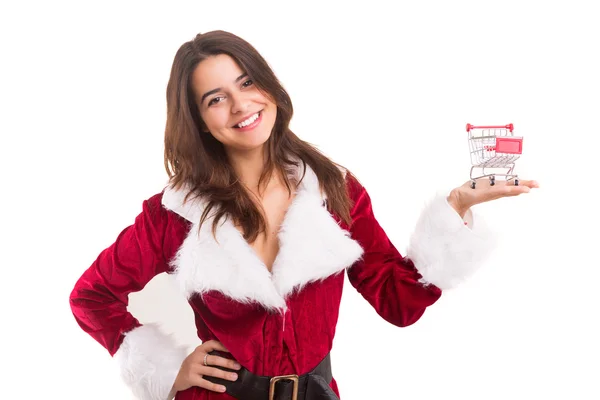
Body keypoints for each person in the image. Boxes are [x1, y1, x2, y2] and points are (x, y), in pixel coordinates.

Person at [69, 30, 538, 400]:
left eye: (247, 82)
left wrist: (455, 209)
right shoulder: (174, 214)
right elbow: (90, 296)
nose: (241, 105)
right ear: (199, 119)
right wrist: (170, 369)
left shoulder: (335, 190)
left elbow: (399, 303)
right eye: (216, 98)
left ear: (268, 85)